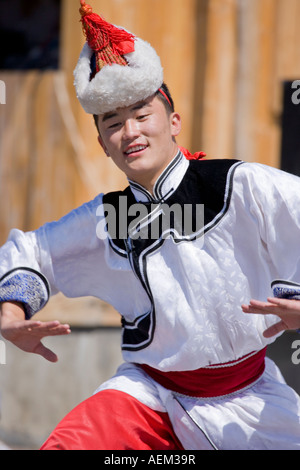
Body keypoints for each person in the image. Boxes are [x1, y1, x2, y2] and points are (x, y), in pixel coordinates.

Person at [1, 1, 300, 450]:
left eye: (142, 115)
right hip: (148, 398)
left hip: (252, 404)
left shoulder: (241, 185)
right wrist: (10, 314)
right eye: (114, 124)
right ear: (103, 144)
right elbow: (34, 252)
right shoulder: (105, 219)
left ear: (173, 121)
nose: (130, 132)